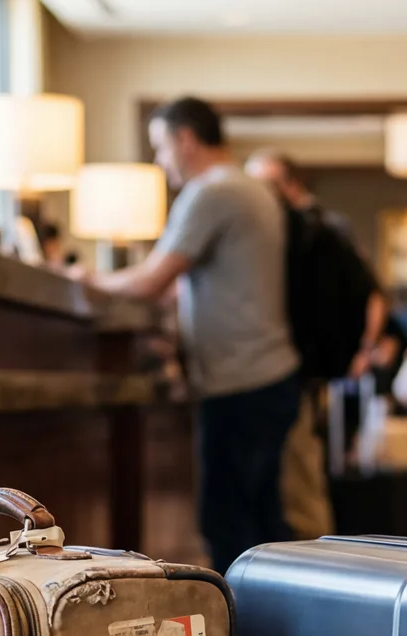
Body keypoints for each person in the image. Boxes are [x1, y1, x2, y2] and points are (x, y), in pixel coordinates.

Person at [91, 97, 301, 575]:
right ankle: (277, 634)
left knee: (229, 524)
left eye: (161, 147)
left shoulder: (213, 193)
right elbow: (191, 287)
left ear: (186, 139)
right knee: (261, 521)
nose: (160, 163)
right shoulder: (250, 189)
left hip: (242, 382)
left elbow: (151, 281)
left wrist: (87, 282)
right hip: (265, 376)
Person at [245, 150, 382, 539]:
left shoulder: (316, 229)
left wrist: (359, 352)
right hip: (295, 367)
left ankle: (310, 568)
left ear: (287, 184)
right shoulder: (286, 230)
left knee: (300, 478)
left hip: (299, 368)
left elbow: (368, 293)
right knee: (293, 475)